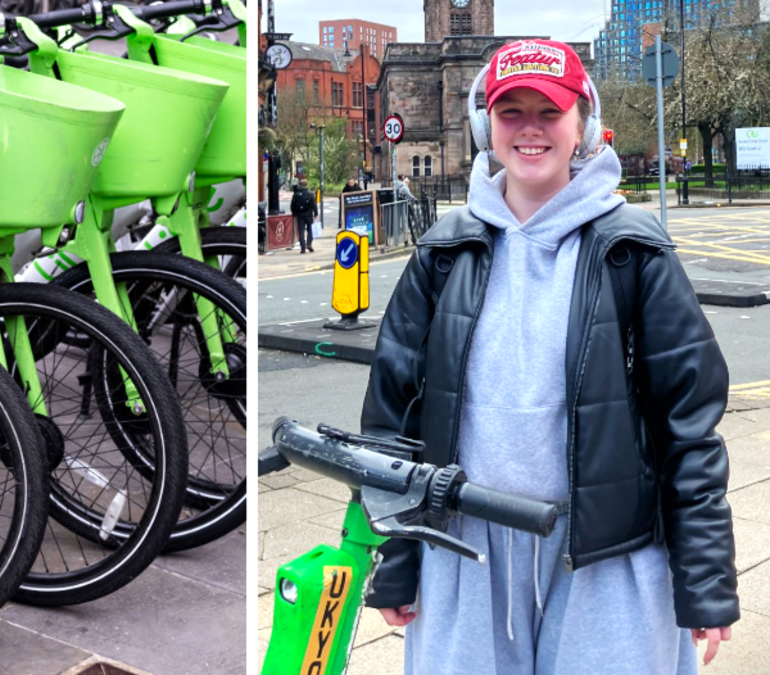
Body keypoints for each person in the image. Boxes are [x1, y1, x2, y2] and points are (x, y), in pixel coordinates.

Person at [360, 39, 736, 674]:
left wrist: (704, 578)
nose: (530, 129)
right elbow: (390, 420)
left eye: (549, 110)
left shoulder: (634, 250)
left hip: (607, 555)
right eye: (511, 112)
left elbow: (689, 424)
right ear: (486, 125)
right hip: (465, 551)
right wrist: (394, 557)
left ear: (582, 123)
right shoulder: (442, 252)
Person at [289, 178, 317, 254]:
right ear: (306, 185)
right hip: (308, 214)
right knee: (310, 230)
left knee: (301, 231)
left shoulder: (296, 194)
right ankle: (309, 243)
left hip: (299, 215)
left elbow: (292, 205)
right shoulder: (310, 194)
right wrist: (316, 214)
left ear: (300, 185)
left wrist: (294, 214)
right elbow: (314, 205)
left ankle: (303, 248)